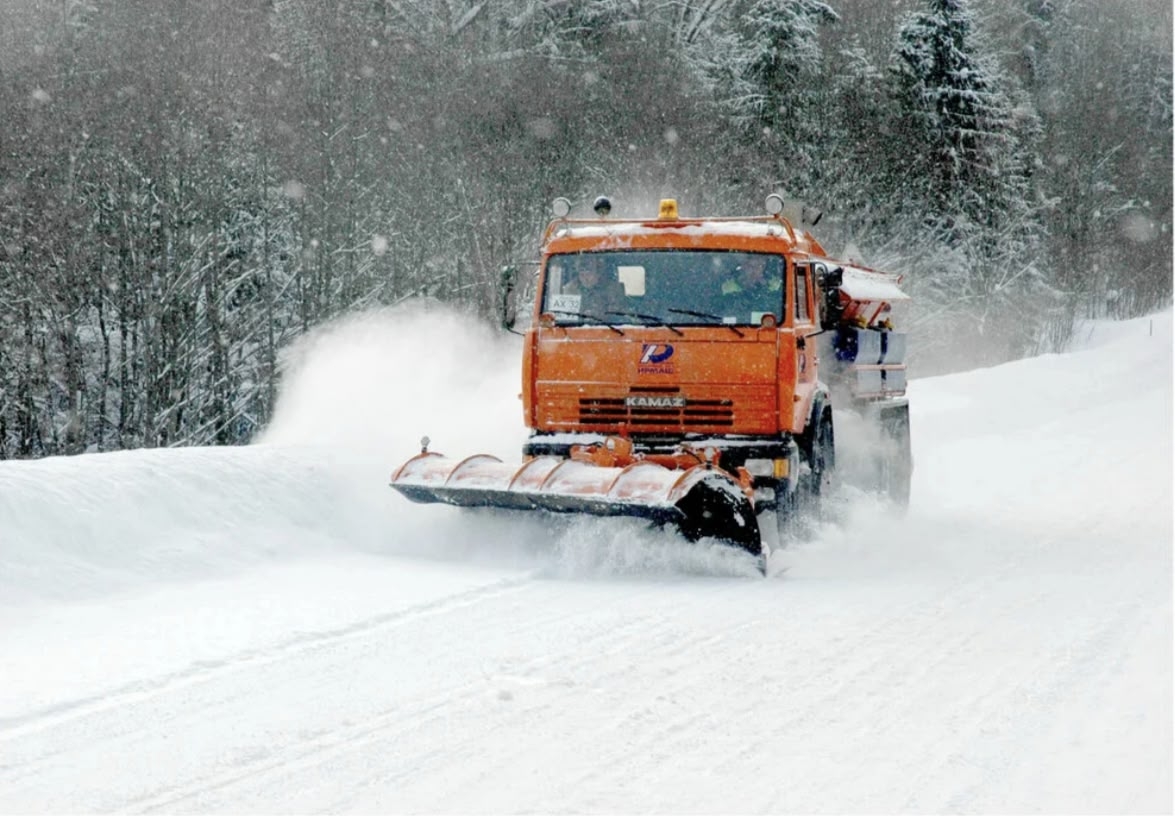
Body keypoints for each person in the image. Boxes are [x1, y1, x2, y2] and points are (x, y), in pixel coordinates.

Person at [720, 254, 781, 321]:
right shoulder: (727, 286)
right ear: (744, 266)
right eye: (751, 266)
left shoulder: (776, 285)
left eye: (759, 267)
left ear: (764, 268)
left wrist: (764, 287)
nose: (755, 271)